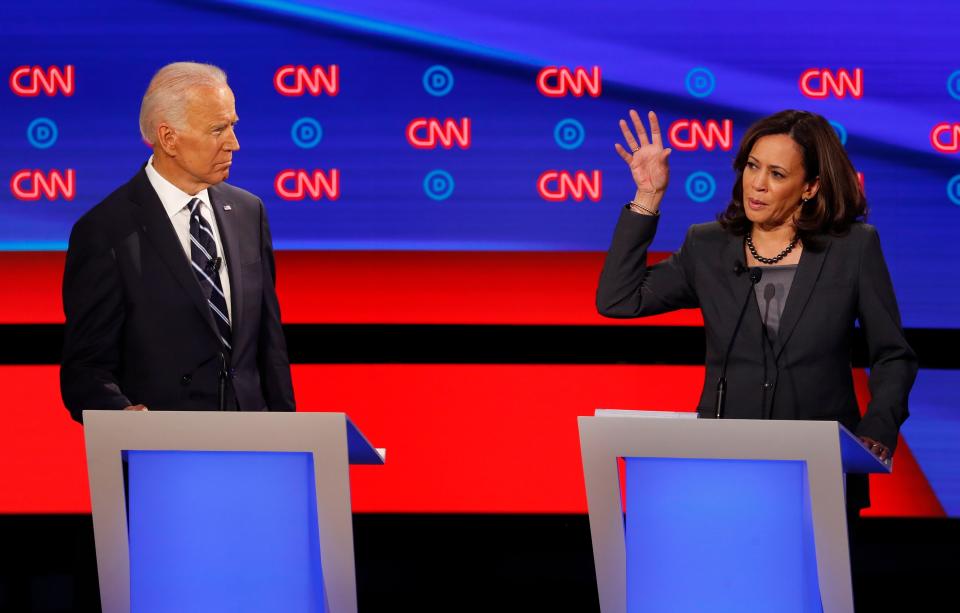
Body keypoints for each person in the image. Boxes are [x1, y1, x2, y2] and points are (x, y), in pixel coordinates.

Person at [596, 109, 917, 511]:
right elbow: (619, 299)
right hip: (725, 468)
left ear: (810, 186)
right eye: (752, 166)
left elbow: (893, 354)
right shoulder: (708, 246)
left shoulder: (852, 249)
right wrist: (647, 197)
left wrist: (876, 430)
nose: (758, 184)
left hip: (818, 475)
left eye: (777, 174)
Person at [61, 62, 295, 422]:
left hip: (253, 446)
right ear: (168, 138)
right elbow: (86, 369)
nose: (234, 143)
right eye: (218, 129)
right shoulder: (106, 230)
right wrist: (122, 415)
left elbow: (270, 348)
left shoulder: (249, 212)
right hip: (164, 453)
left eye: (232, 126)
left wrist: (288, 438)